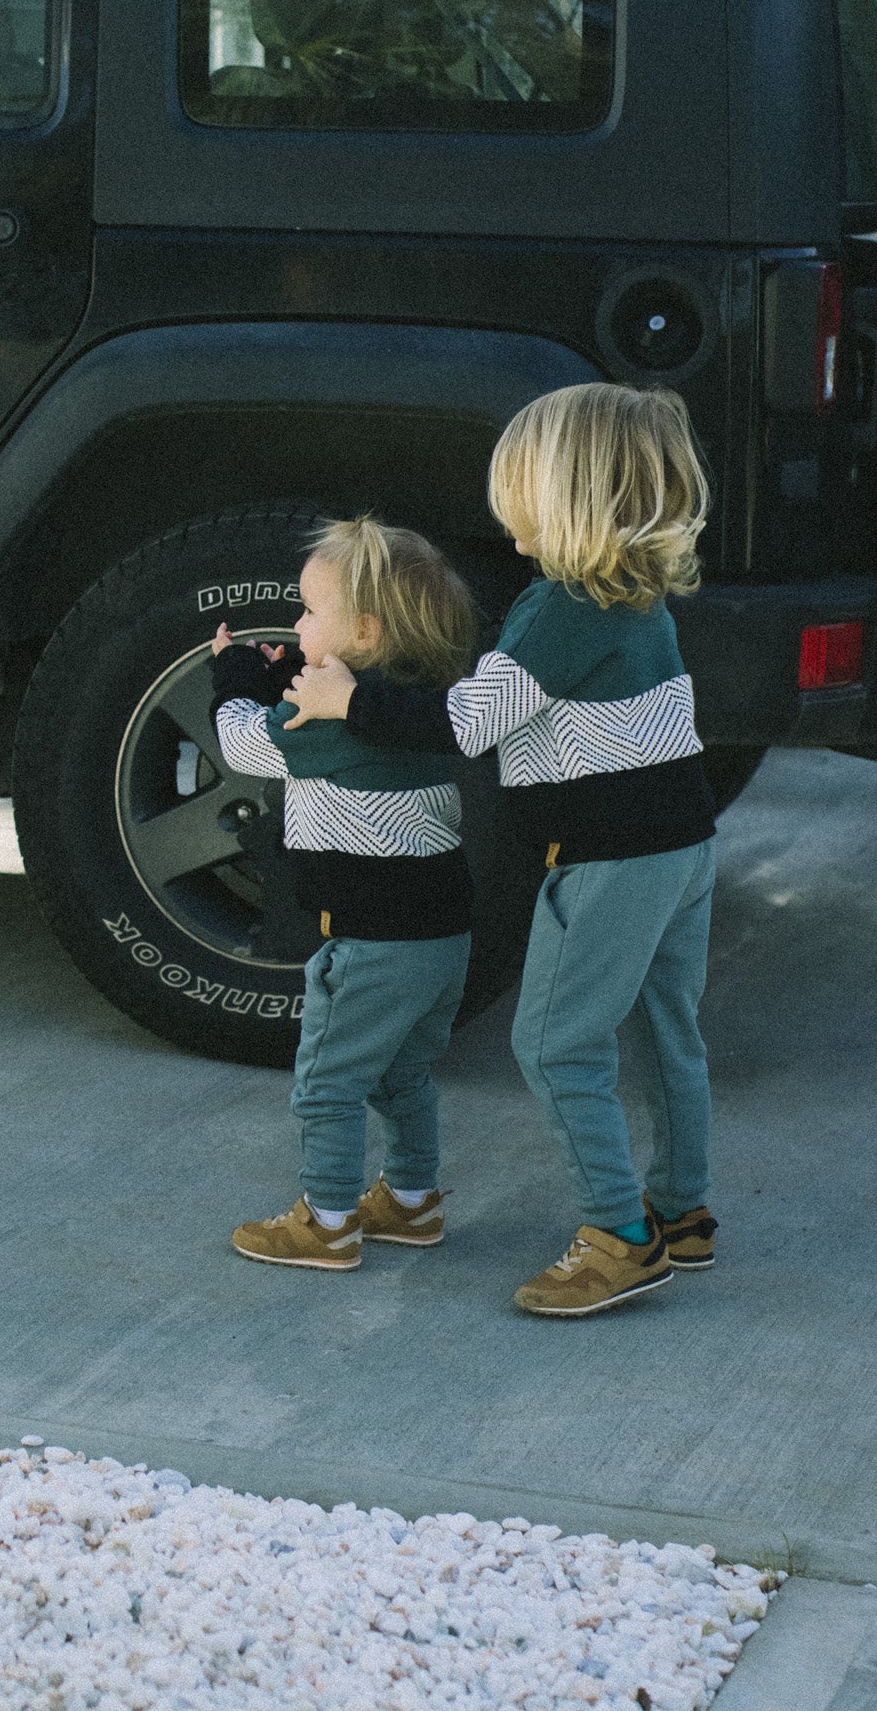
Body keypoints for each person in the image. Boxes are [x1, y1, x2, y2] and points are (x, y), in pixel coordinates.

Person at [284, 385, 716, 1318]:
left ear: (569, 503)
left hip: (607, 862)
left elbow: (468, 723)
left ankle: (618, 1237)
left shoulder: (561, 608)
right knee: (665, 1028)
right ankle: (681, 1211)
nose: (509, 529)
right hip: (684, 848)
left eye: (520, 504)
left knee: (555, 1041)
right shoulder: (640, 600)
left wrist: (345, 703)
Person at [214, 518, 478, 1272]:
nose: (297, 625)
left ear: (363, 630)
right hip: (441, 937)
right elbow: (302, 728)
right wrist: (284, 678)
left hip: (371, 940)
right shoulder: (418, 702)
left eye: (307, 611)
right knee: (402, 1074)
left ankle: (327, 1221)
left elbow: (243, 742)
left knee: (326, 1082)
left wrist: (233, 675)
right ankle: (413, 1201)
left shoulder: (330, 719)